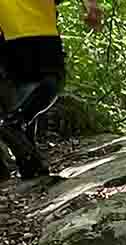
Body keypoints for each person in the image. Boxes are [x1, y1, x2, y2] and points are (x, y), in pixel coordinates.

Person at [0, 0, 104, 180]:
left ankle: (30, 164)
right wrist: (91, 6)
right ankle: (14, 122)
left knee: (25, 94)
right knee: (53, 80)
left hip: (10, 39)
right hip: (40, 31)